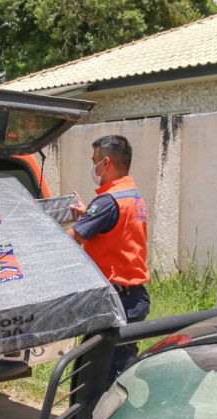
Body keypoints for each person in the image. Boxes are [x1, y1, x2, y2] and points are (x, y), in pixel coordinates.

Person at [68, 135, 150, 382]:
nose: (92, 167)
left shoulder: (107, 201)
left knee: (106, 374)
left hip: (116, 301)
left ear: (106, 163)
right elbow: (117, 231)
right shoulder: (131, 195)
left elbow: (71, 239)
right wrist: (90, 216)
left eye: (94, 160)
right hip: (132, 297)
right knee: (118, 366)